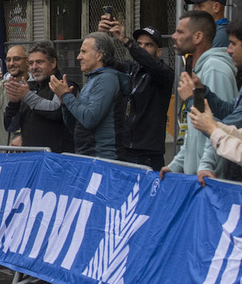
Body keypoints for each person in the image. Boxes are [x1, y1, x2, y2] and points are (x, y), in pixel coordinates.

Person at [163, 10, 237, 183]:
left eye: (180, 32)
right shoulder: (199, 70)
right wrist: (177, 164)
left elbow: (220, 124)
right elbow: (194, 128)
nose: (174, 36)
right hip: (198, 178)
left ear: (197, 37)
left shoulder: (214, 69)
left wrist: (206, 167)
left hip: (211, 181)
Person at [99, 20, 175, 170]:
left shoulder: (164, 73)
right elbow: (107, 63)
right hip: (126, 146)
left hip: (148, 152)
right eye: (139, 44)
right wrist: (103, 37)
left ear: (159, 51)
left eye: (148, 45)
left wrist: (127, 41)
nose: (142, 48)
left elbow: (151, 64)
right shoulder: (131, 68)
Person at [49, 32, 129, 160]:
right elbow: (76, 126)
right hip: (88, 157)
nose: (78, 57)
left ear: (99, 55)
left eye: (84, 52)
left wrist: (66, 96)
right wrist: (64, 103)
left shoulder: (107, 79)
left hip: (103, 159)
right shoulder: (93, 80)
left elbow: (90, 119)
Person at [3, 41, 77, 154]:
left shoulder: (64, 84)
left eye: (39, 62)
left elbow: (56, 111)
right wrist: (14, 103)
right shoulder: (28, 87)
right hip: (31, 160)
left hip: (56, 160)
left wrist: (27, 96)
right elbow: (10, 127)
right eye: (31, 63)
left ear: (53, 63)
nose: (34, 67)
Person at [187, 19, 242, 167]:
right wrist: (203, 91)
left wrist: (191, 101)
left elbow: (232, 123)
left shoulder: (214, 68)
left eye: (234, 44)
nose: (229, 49)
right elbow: (230, 112)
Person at [0, 45, 29, 147]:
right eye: (8, 60)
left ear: (27, 61)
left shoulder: (35, 87)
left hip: (25, 154)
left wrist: (23, 137)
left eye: (16, 59)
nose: (11, 63)